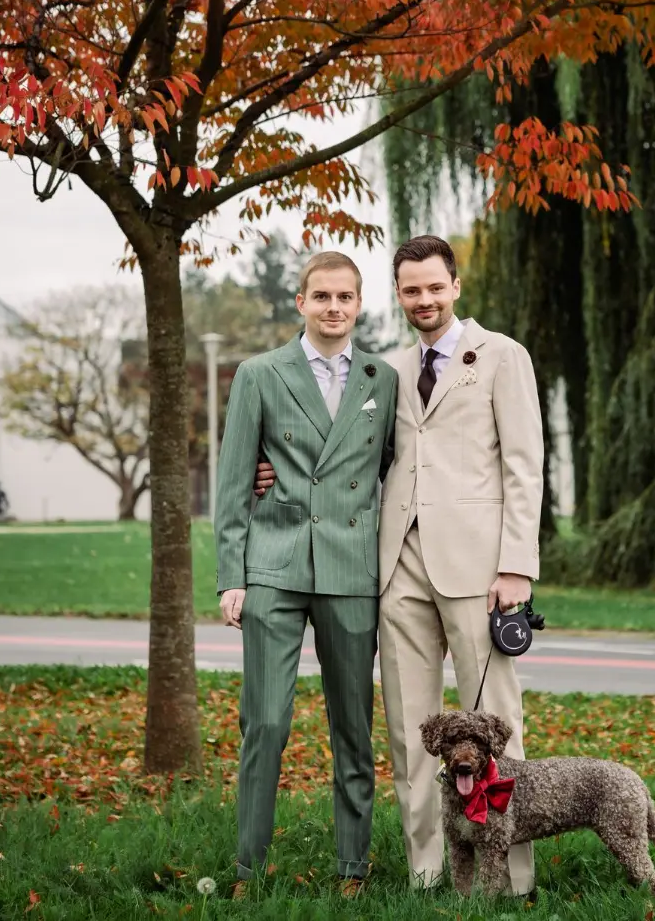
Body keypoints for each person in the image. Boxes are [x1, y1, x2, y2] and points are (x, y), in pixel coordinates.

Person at [254, 235, 544, 898]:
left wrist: (517, 566)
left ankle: (508, 879)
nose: (424, 299)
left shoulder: (502, 356)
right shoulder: (386, 371)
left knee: (494, 723)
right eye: (411, 290)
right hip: (398, 567)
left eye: (435, 287)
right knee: (413, 731)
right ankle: (428, 871)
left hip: (479, 569)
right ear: (399, 295)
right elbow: (351, 455)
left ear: (455, 286)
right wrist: (270, 472)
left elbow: (525, 467)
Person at [214, 250, 397, 897]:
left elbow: (393, 469)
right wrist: (231, 577)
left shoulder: (382, 378)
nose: (334, 307)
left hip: (351, 571)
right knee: (264, 723)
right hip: (275, 565)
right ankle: (248, 869)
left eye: (345, 297)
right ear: (301, 302)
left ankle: (353, 867)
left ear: (359, 303)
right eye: (322, 296)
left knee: (354, 728)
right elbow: (233, 481)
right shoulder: (259, 374)